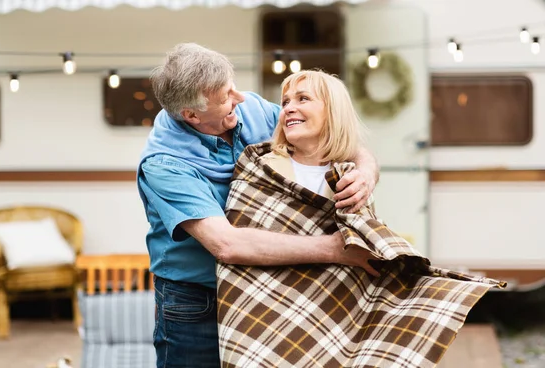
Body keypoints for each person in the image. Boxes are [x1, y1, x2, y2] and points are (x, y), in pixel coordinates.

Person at [216, 70, 506, 367]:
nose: (288, 107)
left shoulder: (351, 178)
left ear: (333, 112)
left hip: (333, 316)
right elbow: (239, 244)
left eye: (303, 99)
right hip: (261, 316)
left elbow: (364, 249)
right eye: (286, 100)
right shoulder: (258, 168)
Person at [137, 43, 381, 367]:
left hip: (260, 282)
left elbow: (336, 138)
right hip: (197, 300)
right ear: (192, 115)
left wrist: (366, 171)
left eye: (232, 88)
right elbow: (227, 244)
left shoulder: (248, 107)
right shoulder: (164, 165)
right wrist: (337, 249)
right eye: (226, 98)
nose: (239, 98)